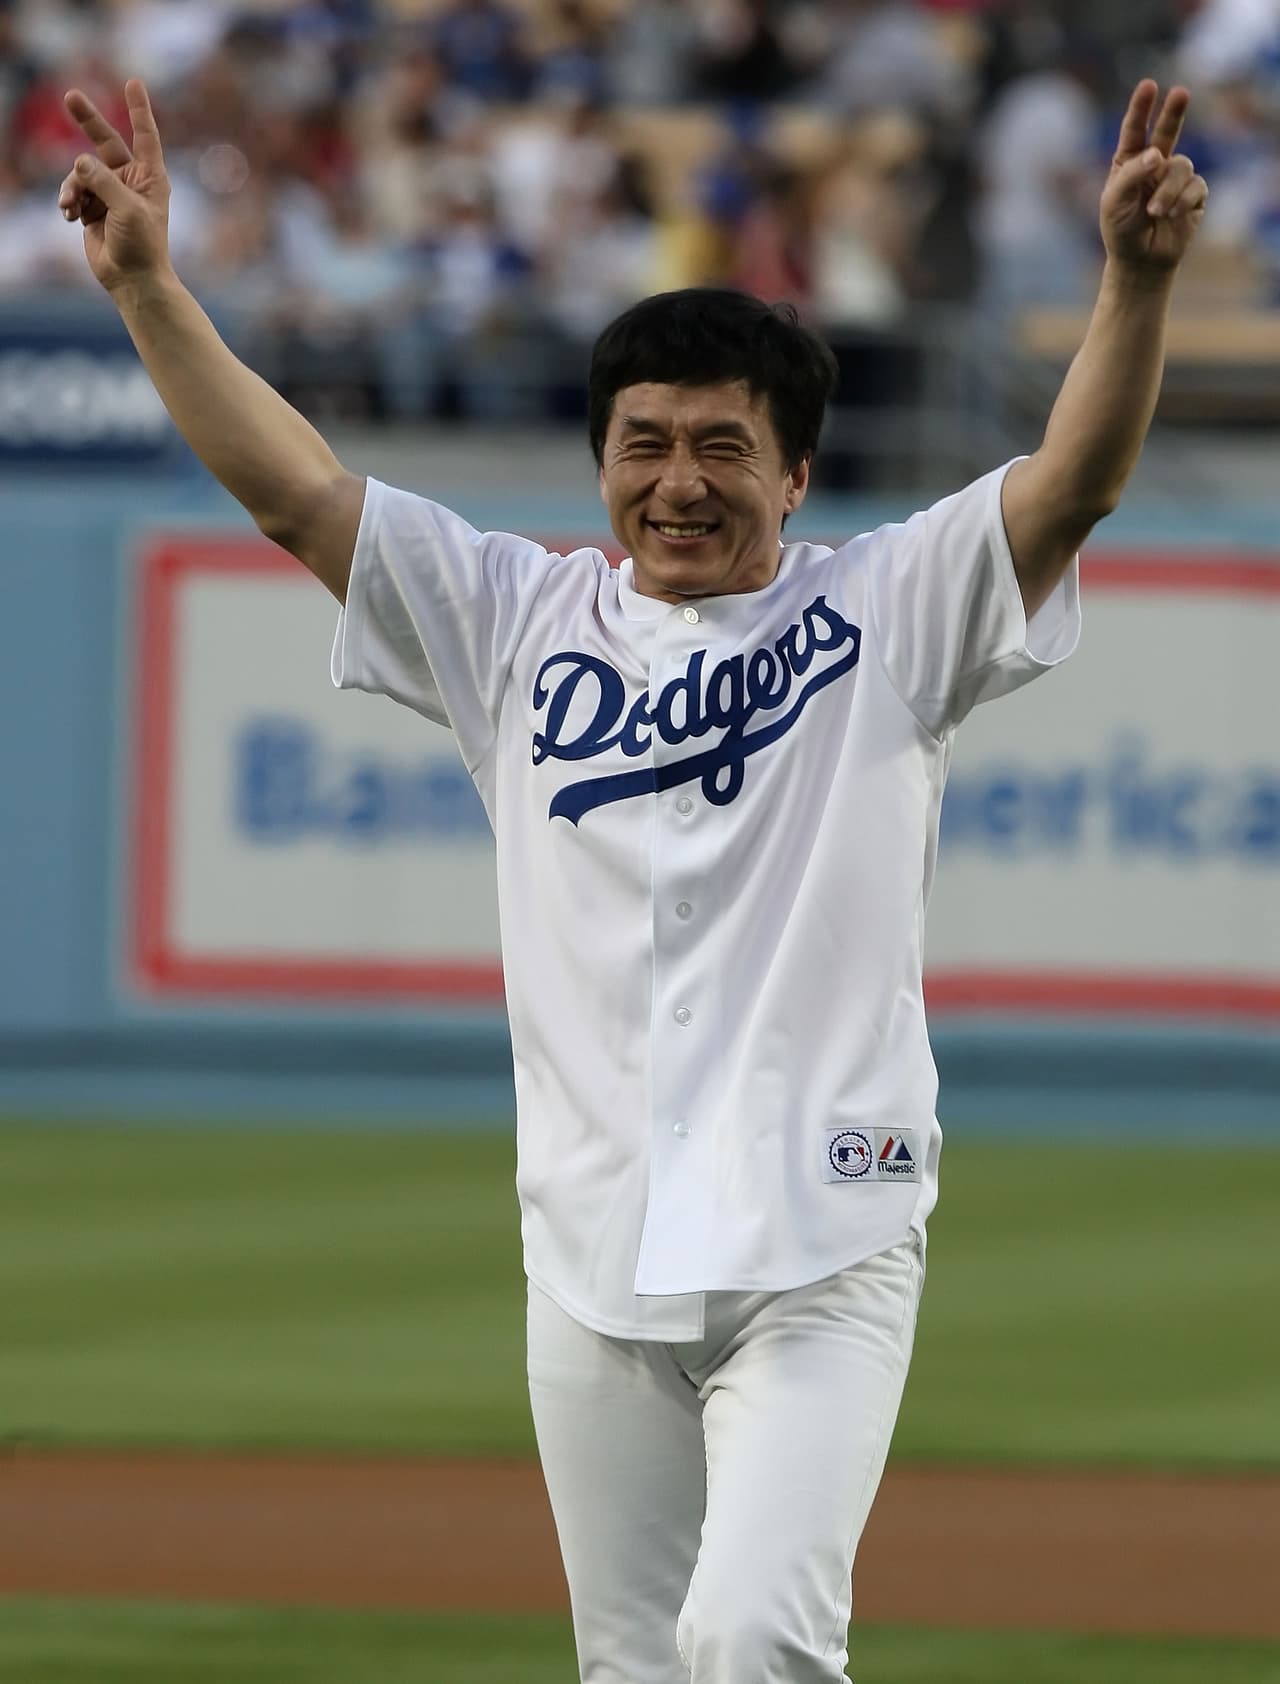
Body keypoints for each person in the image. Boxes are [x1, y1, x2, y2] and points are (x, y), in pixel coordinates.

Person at [57, 76, 1207, 1683]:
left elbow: (1071, 484)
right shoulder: (515, 620)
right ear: (601, 458)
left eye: (723, 446)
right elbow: (296, 493)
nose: (679, 480)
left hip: (822, 1238)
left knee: (753, 1634)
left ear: (796, 476)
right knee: (636, 1665)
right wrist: (152, 292)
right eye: (643, 442)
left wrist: (1137, 285)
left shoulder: (883, 611)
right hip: (590, 1254)